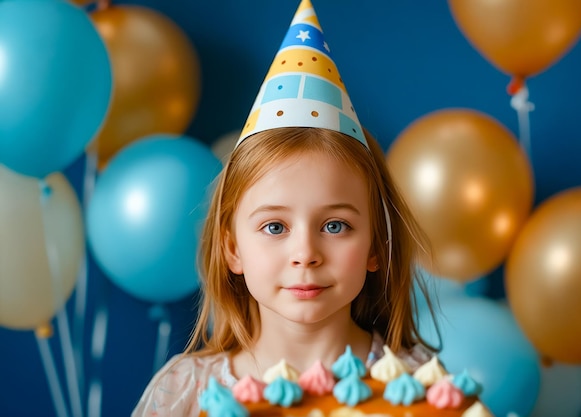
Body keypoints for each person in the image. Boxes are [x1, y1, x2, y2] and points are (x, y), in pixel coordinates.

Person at [132, 1, 439, 416]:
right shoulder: (183, 393)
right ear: (233, 249)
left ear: (376, 246)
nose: (305, 254)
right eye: (275, 227)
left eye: (335, 225)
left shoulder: (419, 390)